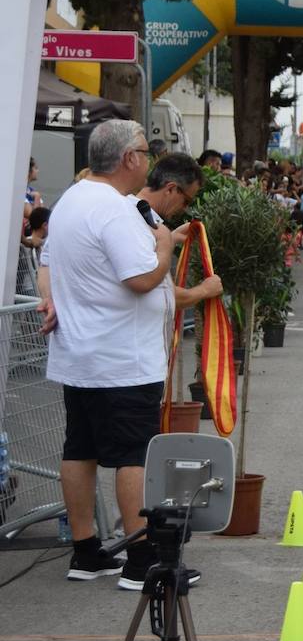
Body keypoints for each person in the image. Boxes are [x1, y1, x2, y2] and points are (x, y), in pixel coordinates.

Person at [38, 121, 188, 589]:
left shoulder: (72, 200)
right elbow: (140, 278)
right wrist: (164, 249)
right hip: (121, 358)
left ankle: (86, 552)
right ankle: (142, 560)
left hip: (79, 353)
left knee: (79, 449)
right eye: (145, 151)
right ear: (129, 159)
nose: (147, 158)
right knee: (133, 454)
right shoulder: (113, 210)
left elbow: (52, 264)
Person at [135, 153, 224, 313]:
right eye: (186, 201)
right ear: (171, 189)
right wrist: (205, 290)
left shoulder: (137, 216)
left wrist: (172, 237)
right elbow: (160, 294)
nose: (185, 209)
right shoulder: (136, 223)